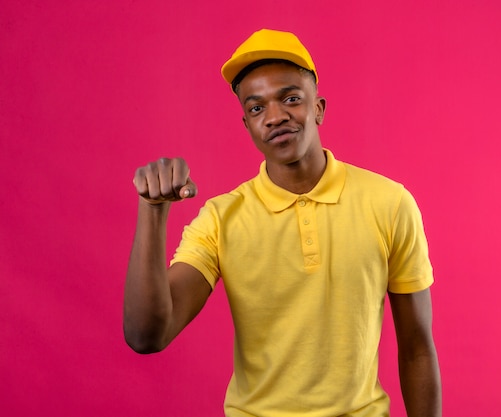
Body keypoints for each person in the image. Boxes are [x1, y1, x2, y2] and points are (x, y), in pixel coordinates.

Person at [124, 28, 442, 417]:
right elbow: (146, 336)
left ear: (319, 108)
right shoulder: (222, 218)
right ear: (246, 125)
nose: (275, 117)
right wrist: (153, 213)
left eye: (291, 99)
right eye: (256, 108)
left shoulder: (389, 202)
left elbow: (417, 347)